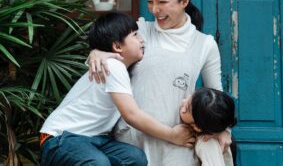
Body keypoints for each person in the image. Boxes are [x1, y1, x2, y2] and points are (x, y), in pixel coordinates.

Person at [88, 0, 232, 165]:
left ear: (184, 1)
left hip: (177, 145)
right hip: (131, 143)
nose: (154, 10)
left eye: (162, 2)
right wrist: (96, 52)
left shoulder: (204, 44)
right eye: (150, 1)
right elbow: (106, 55)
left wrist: (224, 129)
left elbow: (216, 94)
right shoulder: (139, 31)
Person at [39, 12, 195, 166]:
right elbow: (131, 114)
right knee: (97, 163)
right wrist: (171, 135)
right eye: (135, 35)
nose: (142, 40)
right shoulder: (113, 67)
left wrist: (96, 52)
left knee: (135, 158)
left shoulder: (119, 66)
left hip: (94, 139)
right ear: (117, 46)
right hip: (60, 138)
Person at [180, 87, 236, 166]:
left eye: (186, 108)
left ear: (197, 127)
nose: (183, 101)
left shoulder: (207, 143)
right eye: (189, 97)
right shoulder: (209, 132)